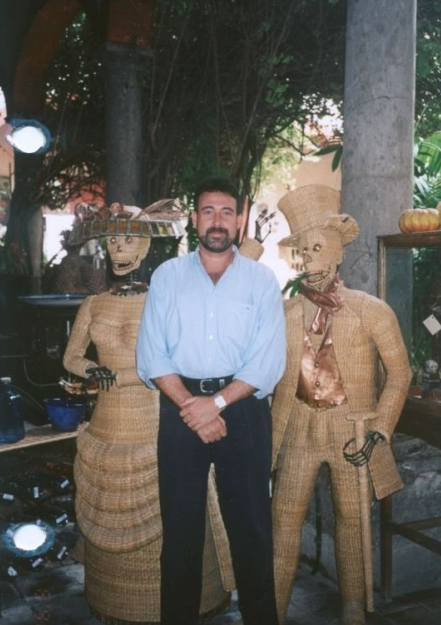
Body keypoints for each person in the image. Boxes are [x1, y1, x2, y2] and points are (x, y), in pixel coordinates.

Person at [63, 199, 233, 624]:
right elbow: (71, 358)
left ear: (143, 249)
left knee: (173, 503)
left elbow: (192, 355)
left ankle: (185, 600)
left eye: (128, 241)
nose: (119, 249)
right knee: (108, 503)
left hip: (157, 415)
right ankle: (114, 599)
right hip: (109, 422)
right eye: (113, 241)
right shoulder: (94, 304)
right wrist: (92, 369)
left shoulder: (166, 297)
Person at [136, 177, 286, 625]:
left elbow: (267, 361)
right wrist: (193, 407)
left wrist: (215, 405)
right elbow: (152, 354)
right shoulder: (167, 276)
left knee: (253, 532)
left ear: (239, 219)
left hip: (242, 410)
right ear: (194, 218)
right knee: (180, 533)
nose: (217, 221)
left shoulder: (262, 281)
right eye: (207, 211)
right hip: (180, 406)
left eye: (226, 212)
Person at [270, 184, 411, 625]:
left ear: (336, 253)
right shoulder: (284, 313)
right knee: (283, 524)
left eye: (316, 249)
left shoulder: (371, 311)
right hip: (297, 430)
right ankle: (270, 610)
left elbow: (400, 373)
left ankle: (353, 609)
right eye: (302, 252)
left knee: (352, 524)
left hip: (352, 433)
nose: (309, 261)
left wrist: (379, 428)